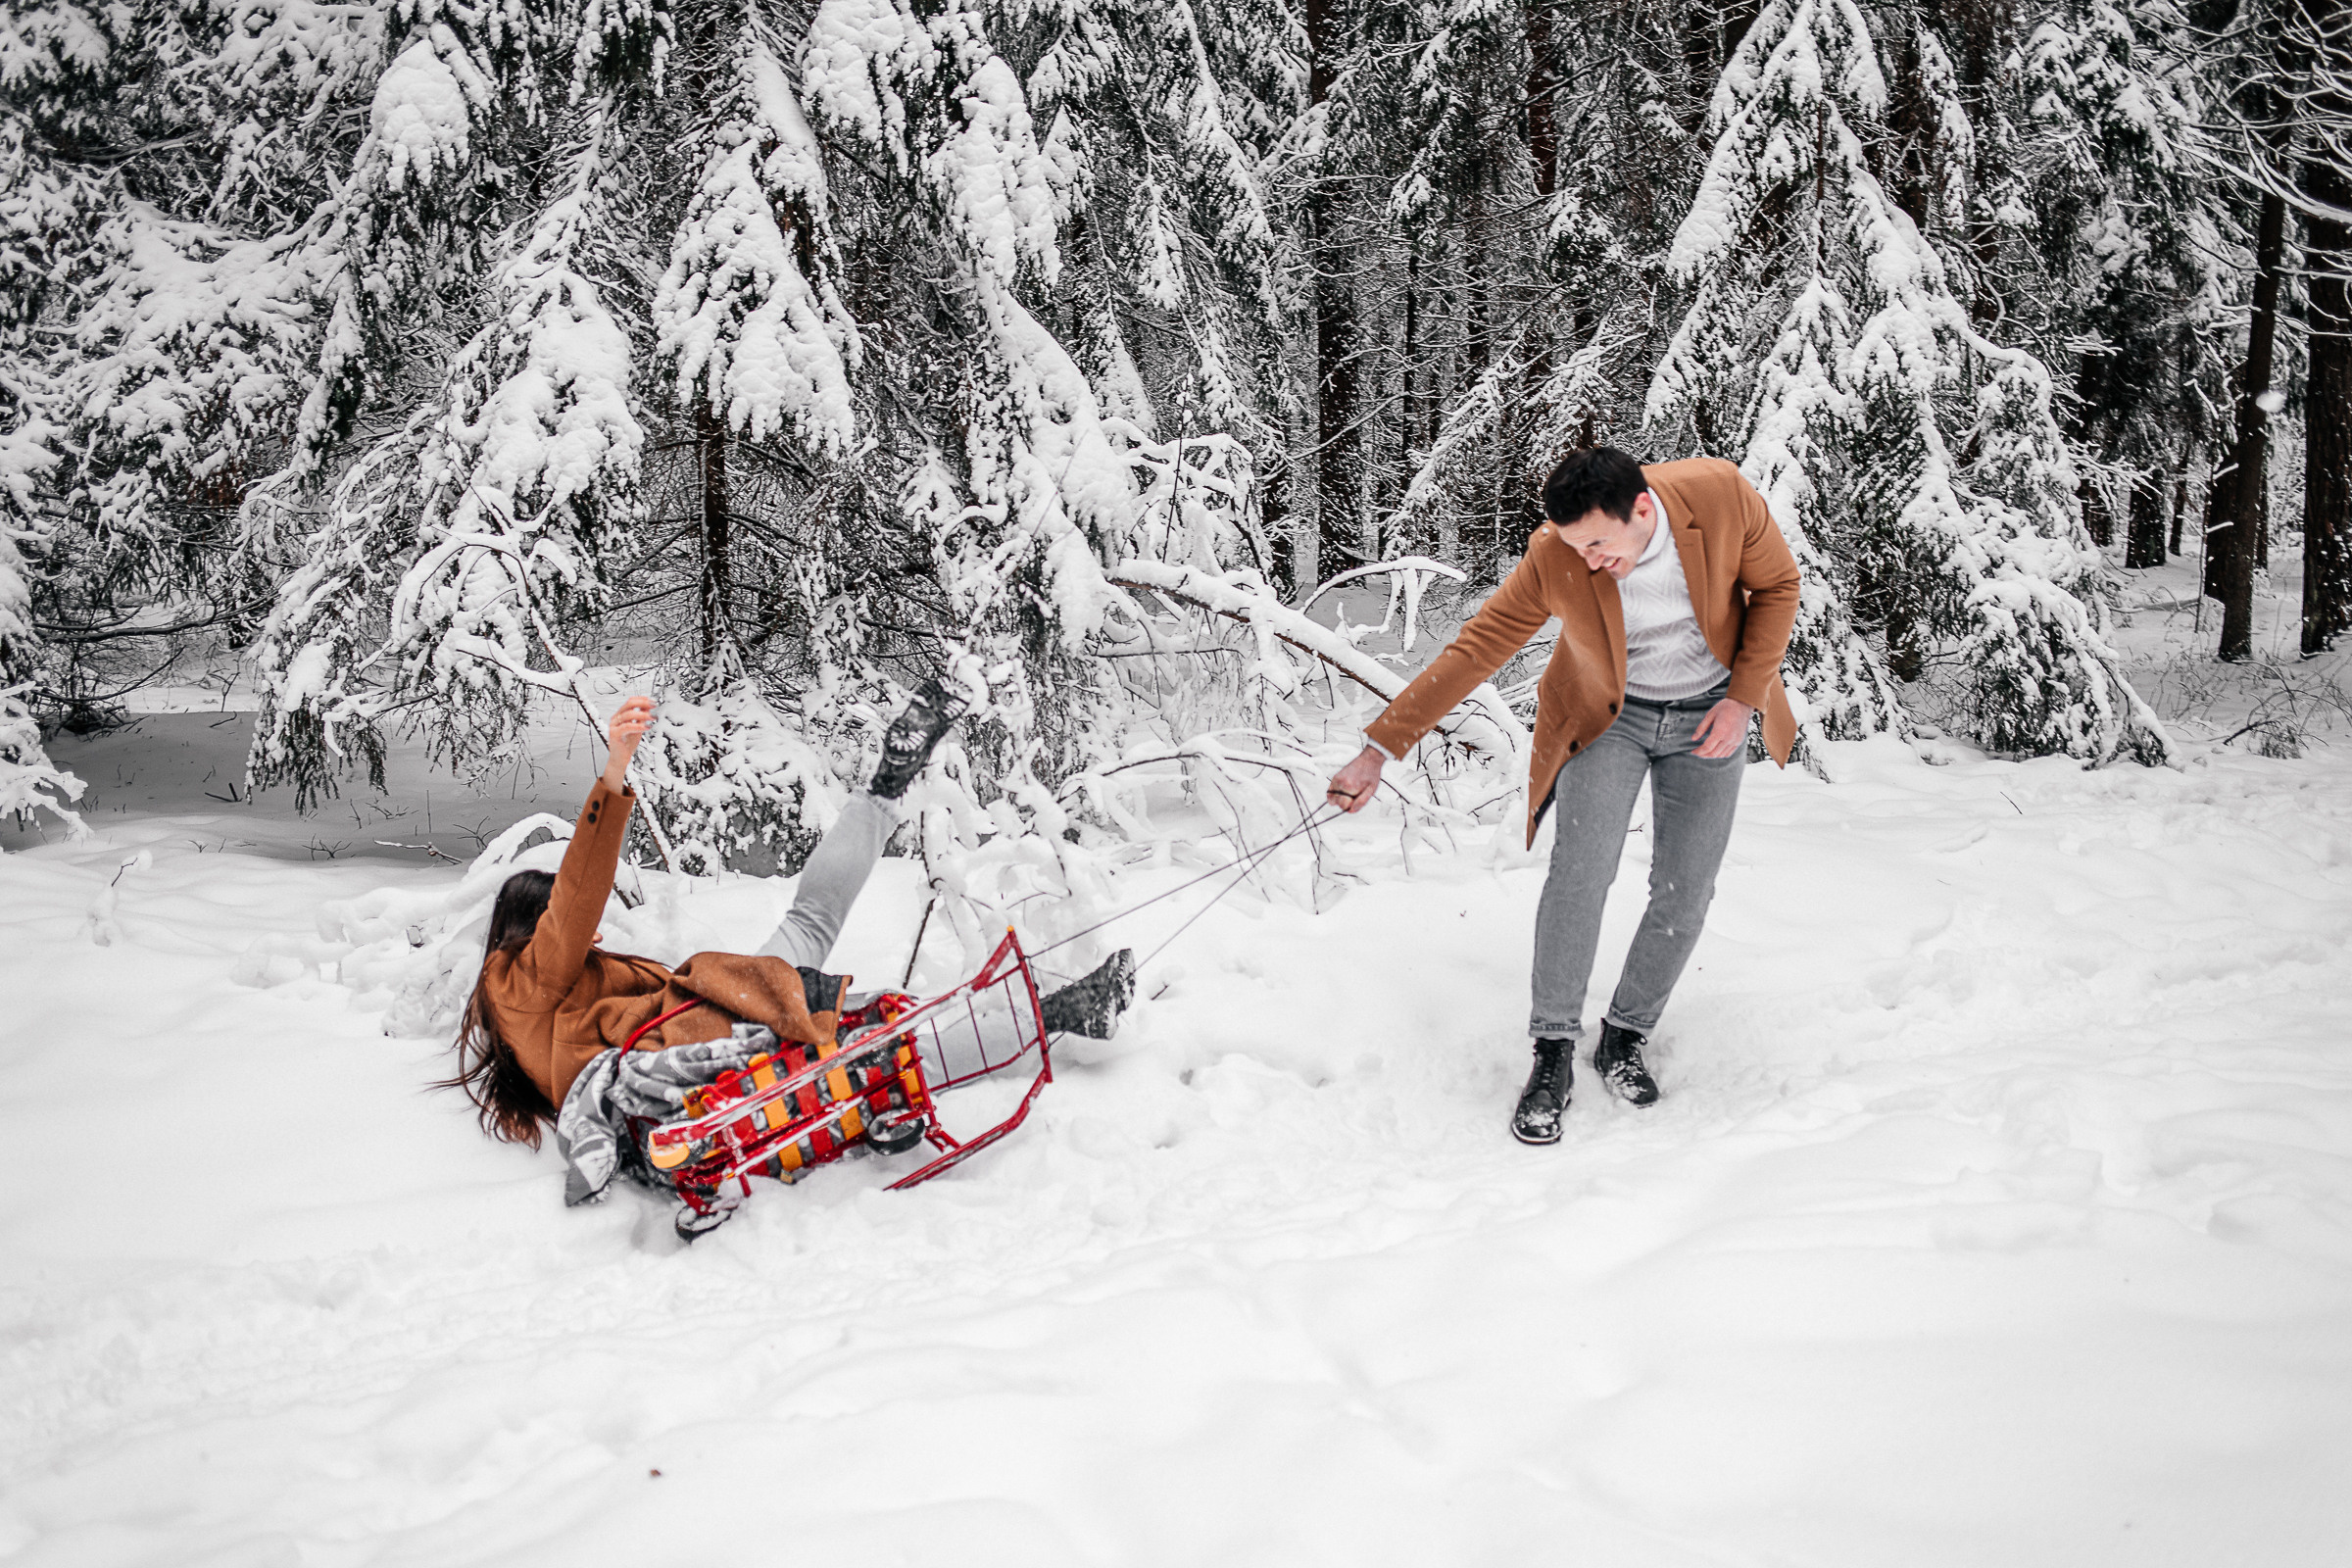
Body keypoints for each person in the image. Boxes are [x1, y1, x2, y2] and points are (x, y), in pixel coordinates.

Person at [1324, 448, 1800, 1145]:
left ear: (1642, 509)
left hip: (1709, 712)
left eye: (1600, 544)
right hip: (1609, 718)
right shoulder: (1559, 552)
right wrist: (1379, 748)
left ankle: (1626, 1035)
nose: (1590, 560)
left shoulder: (1719, 495)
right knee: (1579, 877)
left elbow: (1778, 587)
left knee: (1685, 890)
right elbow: (1479, 647)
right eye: (1578, 547)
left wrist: (1741, 700)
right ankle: (1552, 1050)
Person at [445, 681, 1137, 1150]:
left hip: (705, 1013)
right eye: (566, 926)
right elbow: (575, 904)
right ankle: (1056, 1014)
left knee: (809, 925)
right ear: (527, 929)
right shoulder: (519, 981)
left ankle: (882, 790)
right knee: (871, 1033)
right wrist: (615, 771)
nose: (592, 932)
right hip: (700, 1048)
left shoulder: (534, 1012)